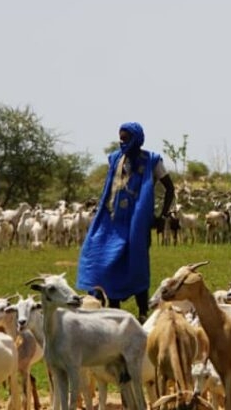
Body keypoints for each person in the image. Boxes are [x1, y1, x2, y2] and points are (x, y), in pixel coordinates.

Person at [77, 122, 174, 322]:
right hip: (112, 223)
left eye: (126, 139)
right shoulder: (115, 159)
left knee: (136, 265)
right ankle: (114, 312)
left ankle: (142, 313)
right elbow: (109, 190)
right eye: (120, 138)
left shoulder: (152, 161)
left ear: (137, 139)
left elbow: (170, 189)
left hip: (138, 225)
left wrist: (162, 216)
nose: (122, 143)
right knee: (105, 261)